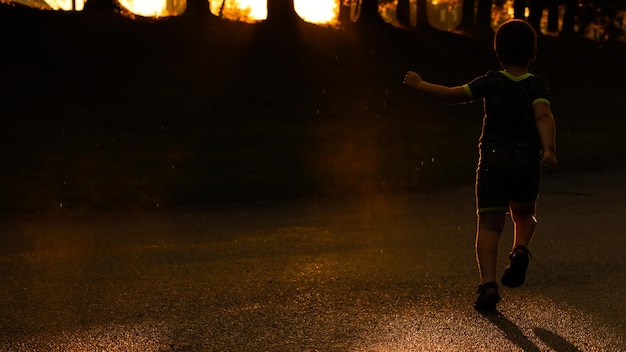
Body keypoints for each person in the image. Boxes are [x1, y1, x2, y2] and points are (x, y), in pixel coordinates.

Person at [402, 19, 557, 310]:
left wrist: (420, 85)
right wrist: (549, 150)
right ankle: (520, 249)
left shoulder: (490, 81)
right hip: (525, 159)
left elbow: (452, 95)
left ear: (497, 53)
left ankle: (488, 285)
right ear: (533, 54)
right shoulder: (537, 85)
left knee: (489, 225)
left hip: (493, 160)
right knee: (524, 215)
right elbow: (543, 116)